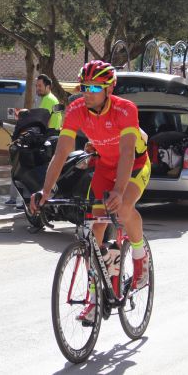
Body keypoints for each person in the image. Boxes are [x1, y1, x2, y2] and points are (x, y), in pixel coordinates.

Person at [31, 60, 151, 323]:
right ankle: (96, 299)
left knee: (124, 206)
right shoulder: (76, 109)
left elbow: (128, 153)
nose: (88, 92)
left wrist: (118, 191)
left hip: (134, 165)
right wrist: (45, 191)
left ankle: (140, 257)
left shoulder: (125, 109)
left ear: (109, 89)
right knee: (94, 233)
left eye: (95, 87)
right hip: (105, 167)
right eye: (85, 86)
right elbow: (61, 152)